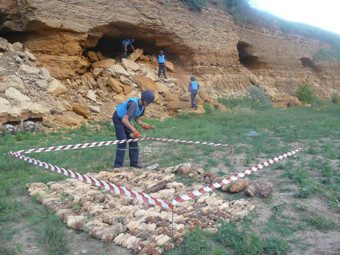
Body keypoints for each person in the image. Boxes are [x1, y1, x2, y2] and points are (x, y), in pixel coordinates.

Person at [112, 90, 155, 168]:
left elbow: (137, 119)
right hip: (118, 118)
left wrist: (143, 125)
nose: (149, 104)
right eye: (148, 102)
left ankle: (134, 164)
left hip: (126, 120)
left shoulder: (143, 107)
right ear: (143, 99)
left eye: (149, 102)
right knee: (122, 141)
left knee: (134, 141)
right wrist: (134, 130)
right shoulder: (133, 105)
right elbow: (124, 120)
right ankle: (117, 166)